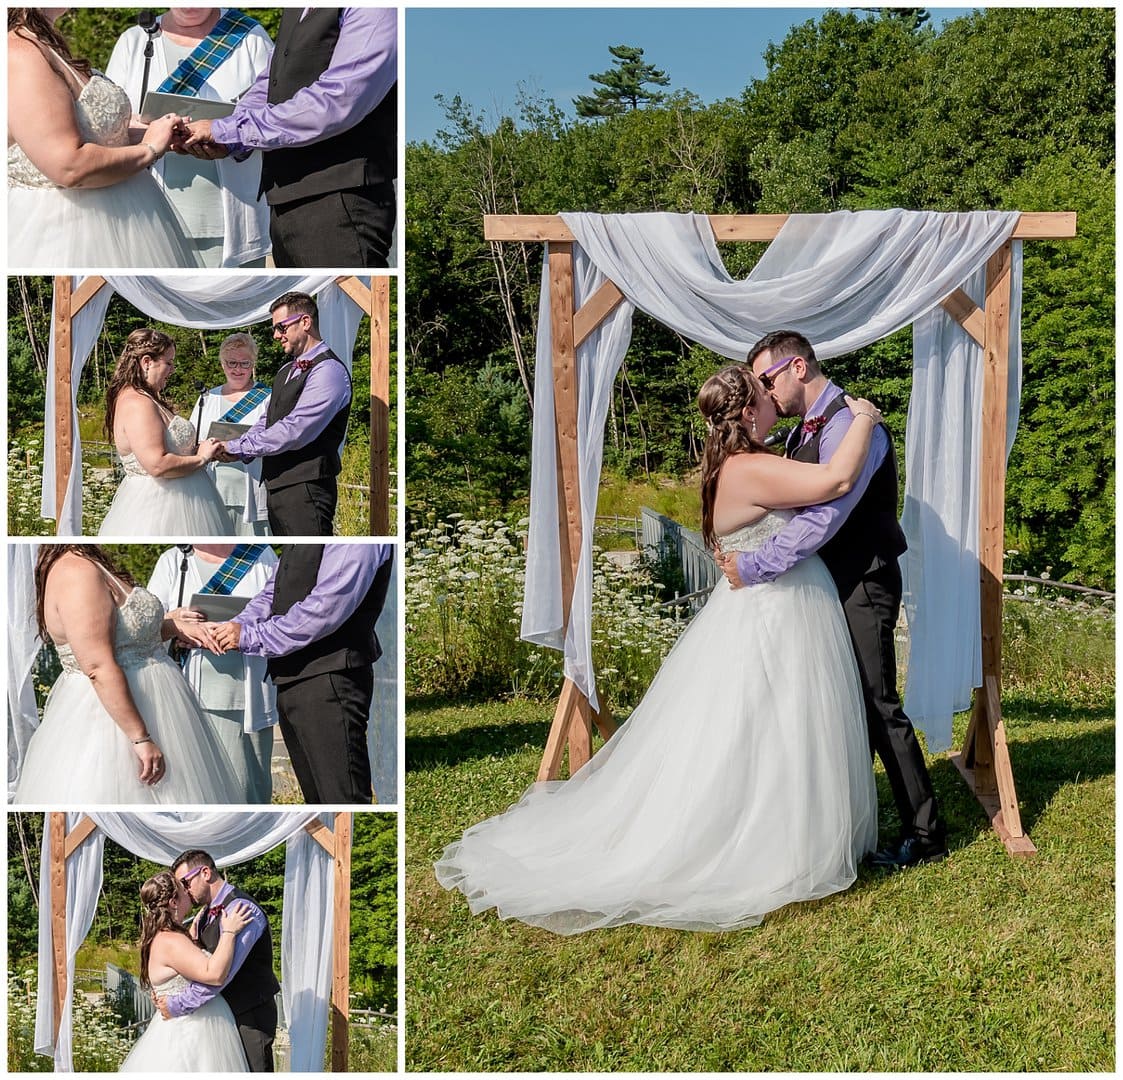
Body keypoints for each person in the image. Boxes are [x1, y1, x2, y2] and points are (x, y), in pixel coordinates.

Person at [435, 367, 880, 934]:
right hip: (773, 617)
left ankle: (792, 830)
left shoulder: (744, 461)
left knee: (778, 729)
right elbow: (837, 482)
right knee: (771, 728)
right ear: (747, 412)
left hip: (778, 610)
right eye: (763, 395)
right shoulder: (751, 468)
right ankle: (768, 845)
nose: (774, 400)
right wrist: (863, 417)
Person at [716, 330, 949, 870]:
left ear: (797, 367)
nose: (763, 392)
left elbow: (827, 515)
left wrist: (755, 564)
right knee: (833, 704)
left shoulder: (849, 422)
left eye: (767, 379)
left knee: (877, 704)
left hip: (862, 582)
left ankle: (927, 831)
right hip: (825, 588)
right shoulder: (802, 431)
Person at [12, 545, 244, 805]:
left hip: (158, 711)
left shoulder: (88, 563)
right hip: (112, 720)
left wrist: (175, 626)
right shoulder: (75, 572)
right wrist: (140, 737)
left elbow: (127, 636)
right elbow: (98, 667)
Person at [177, 7, 397, 267]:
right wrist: (229, 137)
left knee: (342, 300)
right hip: (284, 202)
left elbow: (339, 99)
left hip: (342, 201)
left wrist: (227, 130)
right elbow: (271, 84)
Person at [7, 8, 199, 268]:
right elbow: (68, 166)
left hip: (127, 223)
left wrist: (162, 134)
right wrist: (149, 148)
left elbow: (98, 133)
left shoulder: (44, 42)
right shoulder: (20, 52)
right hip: (68, 234)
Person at [208, 543, 394, 804]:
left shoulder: (356, 542)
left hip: (331, 679)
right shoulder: (307, 534)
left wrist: (251, 636)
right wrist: (238, 624)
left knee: (342, 798)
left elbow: (325, 609)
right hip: (291, 679)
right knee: (316, 800)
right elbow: (277, 589)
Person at [106, 7, 274, 267]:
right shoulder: (135, 41)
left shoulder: (249, 37)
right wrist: (154, 135)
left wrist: (231, 138)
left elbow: (275, 115)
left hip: (232, 220)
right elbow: (110, 125)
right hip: (150, 219)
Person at [148, 543, 279, 803]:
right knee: (194, 788)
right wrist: (173, 623)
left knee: (245, 788)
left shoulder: (261, 556)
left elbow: (281, 613)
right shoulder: (174, 561)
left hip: (247, 694)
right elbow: (144, 629)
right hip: (186, 694)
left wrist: (241, 632)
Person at [216, 293, 351, 536]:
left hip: (307, 489)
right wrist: (237, 449)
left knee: (309, 559)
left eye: (281, 327)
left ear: (306, 322)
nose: (276, 335)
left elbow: (294, 429)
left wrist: (238, 446)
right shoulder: (286, 370)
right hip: (278, 487)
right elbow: (267, 421)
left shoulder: (328, 370)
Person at [154, 850, 280, 1072]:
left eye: (185, 882)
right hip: (221, 1017)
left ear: (205, 872)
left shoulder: (242, 910)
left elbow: (221, 975)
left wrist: (177, 1005)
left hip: (249, 1015)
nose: (184, 890)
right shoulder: (204, 915)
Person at [98, 327, 231, 537]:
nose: (173, 369)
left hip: (187, 501)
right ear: (147, 362)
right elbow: (157, 464)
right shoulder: (137, 403)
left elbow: (169, 448)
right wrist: (201, 458)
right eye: (168, 362)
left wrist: (205, 449)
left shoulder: (149, 399)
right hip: (159, 507)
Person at [120, 870, 251, 1073]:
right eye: (183, 888)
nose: (188, 891)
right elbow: (214, 974)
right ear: (174, 901)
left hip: (196, 1024)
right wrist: (230, 932)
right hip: (192, 1032)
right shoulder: (171, 940)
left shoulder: (167, 935)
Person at [194, 332, 272, 536]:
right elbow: (192, 440)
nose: (237, 369)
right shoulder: (208, 398)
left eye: (244, 363)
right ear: (222, 364)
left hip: (252, 489)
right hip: (213, 488)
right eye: (231, 363)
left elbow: (275, 439)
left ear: (253, 364)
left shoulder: (268, 398)